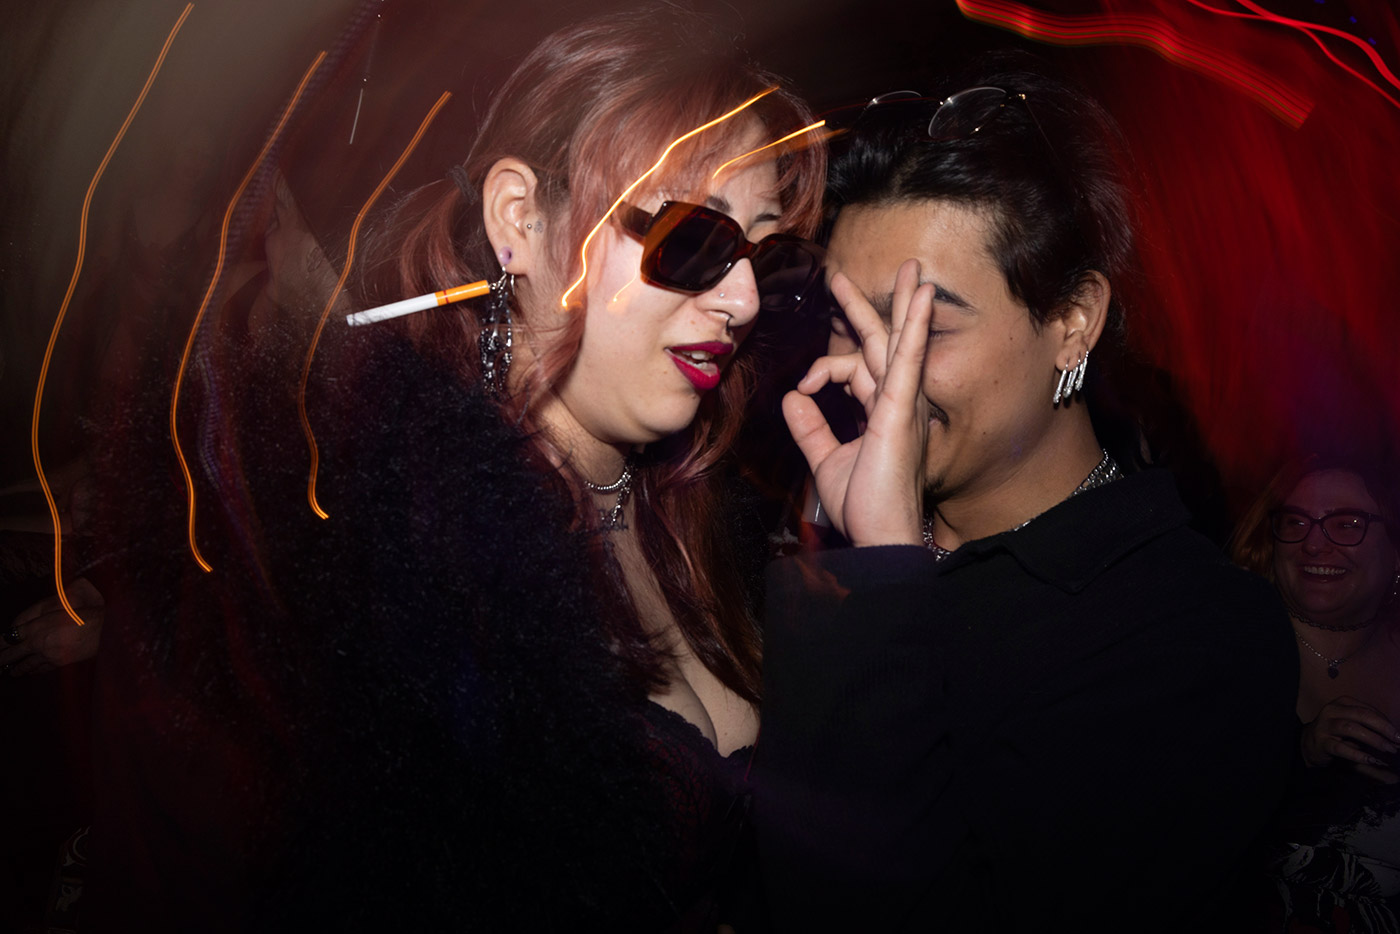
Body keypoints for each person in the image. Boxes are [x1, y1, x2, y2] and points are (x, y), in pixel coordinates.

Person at [83, 9, 824, 932]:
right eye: (694, 239)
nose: (743, 299)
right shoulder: (386, 549)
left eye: (762, 252)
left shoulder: (700, 509)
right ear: (519, 221)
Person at [752, 62, 1299, 931]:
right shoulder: (818, 563)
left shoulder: (1195, 633)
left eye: (924, 326)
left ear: (1072, 322)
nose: (873, 372)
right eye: (850, 323)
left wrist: (881, 573)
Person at [1232, 456, 1400, 930]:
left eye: (1347, 524)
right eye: (1296, 522)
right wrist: (1299, 755)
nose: (1313, 542)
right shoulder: (1231, 651)